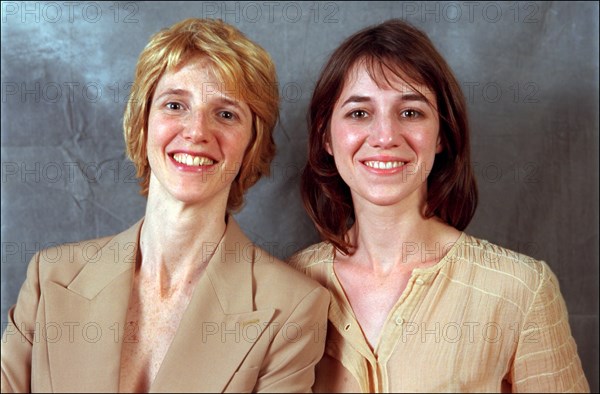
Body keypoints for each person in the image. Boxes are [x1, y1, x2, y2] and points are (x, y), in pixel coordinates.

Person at [1, 18, 329, 393]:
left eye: (226, 114)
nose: (196, 131)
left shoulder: (292, 308)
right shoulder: (51, 278)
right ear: (142, 124)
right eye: (175, 105)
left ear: (251, 143)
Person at [289, 19, 589, 392]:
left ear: (442, 135)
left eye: (411, 112)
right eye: (359, 113)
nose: (385, 136)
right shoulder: (287, 285)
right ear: (327, 138)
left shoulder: (519, 290)